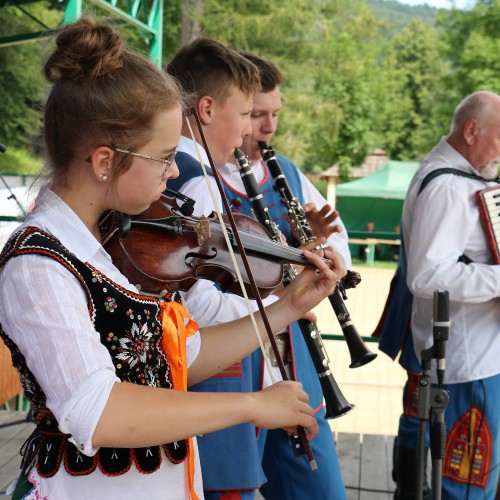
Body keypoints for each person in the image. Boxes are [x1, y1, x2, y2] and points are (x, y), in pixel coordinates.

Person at [0, 17, 343, 500]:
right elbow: (97, 411)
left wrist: (284, 307)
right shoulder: (38, 264)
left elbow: (173, 359)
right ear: (104, 162)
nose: (171, 173)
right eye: (163, 157)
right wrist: (249, 405)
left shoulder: (98, 241)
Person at [166, 42, 350, 500]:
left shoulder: (187, 172)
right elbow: (198, 306)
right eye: (247, 114)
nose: (255, 129)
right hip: (219, 370)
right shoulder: (196, 181)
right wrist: (282, 302)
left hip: (248, 357)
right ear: (207, 109)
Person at [381, 90, 500, 499]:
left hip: (473, 355)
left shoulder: (452, 176)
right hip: (470, 362)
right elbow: (428, 275)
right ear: (471, 130)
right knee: (466, 486)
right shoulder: (449, 186)